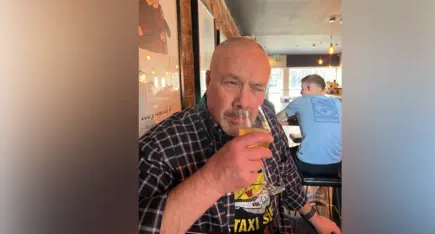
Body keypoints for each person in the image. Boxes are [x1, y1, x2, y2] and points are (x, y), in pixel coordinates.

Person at [139, 37, 341, 234]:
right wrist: (212, 180)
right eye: (231, 83)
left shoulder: (268, 120)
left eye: (257, 88)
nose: (244, 102)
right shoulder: (159, 146)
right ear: (209, 81)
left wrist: (315, 217)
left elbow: (286, 172)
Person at [277, 74, 342, 177]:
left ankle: (291, 191)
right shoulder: (338, 103)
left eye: (302, 89)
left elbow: (277, 119)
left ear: (309, 88)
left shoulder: (300, 101)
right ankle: (321, 190)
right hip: (336, 165)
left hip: (307, 165)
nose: (300, 92)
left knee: (281, 155)